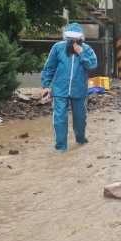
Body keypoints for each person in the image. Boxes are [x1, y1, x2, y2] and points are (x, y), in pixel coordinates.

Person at [41, 23, 98, 152]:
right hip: (60, 89)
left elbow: (93, 65)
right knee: (59, 118)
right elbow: (49, 67)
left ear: (80, 38)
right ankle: (61, 147)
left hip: (79, 90)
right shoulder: (58, 48)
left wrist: (81, 53)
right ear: (66, 37)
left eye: (75, 38)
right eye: (70, 38)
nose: (72, 41)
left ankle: (81, 139)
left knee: (80, 118)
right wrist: (45, 85)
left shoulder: (87, 49)